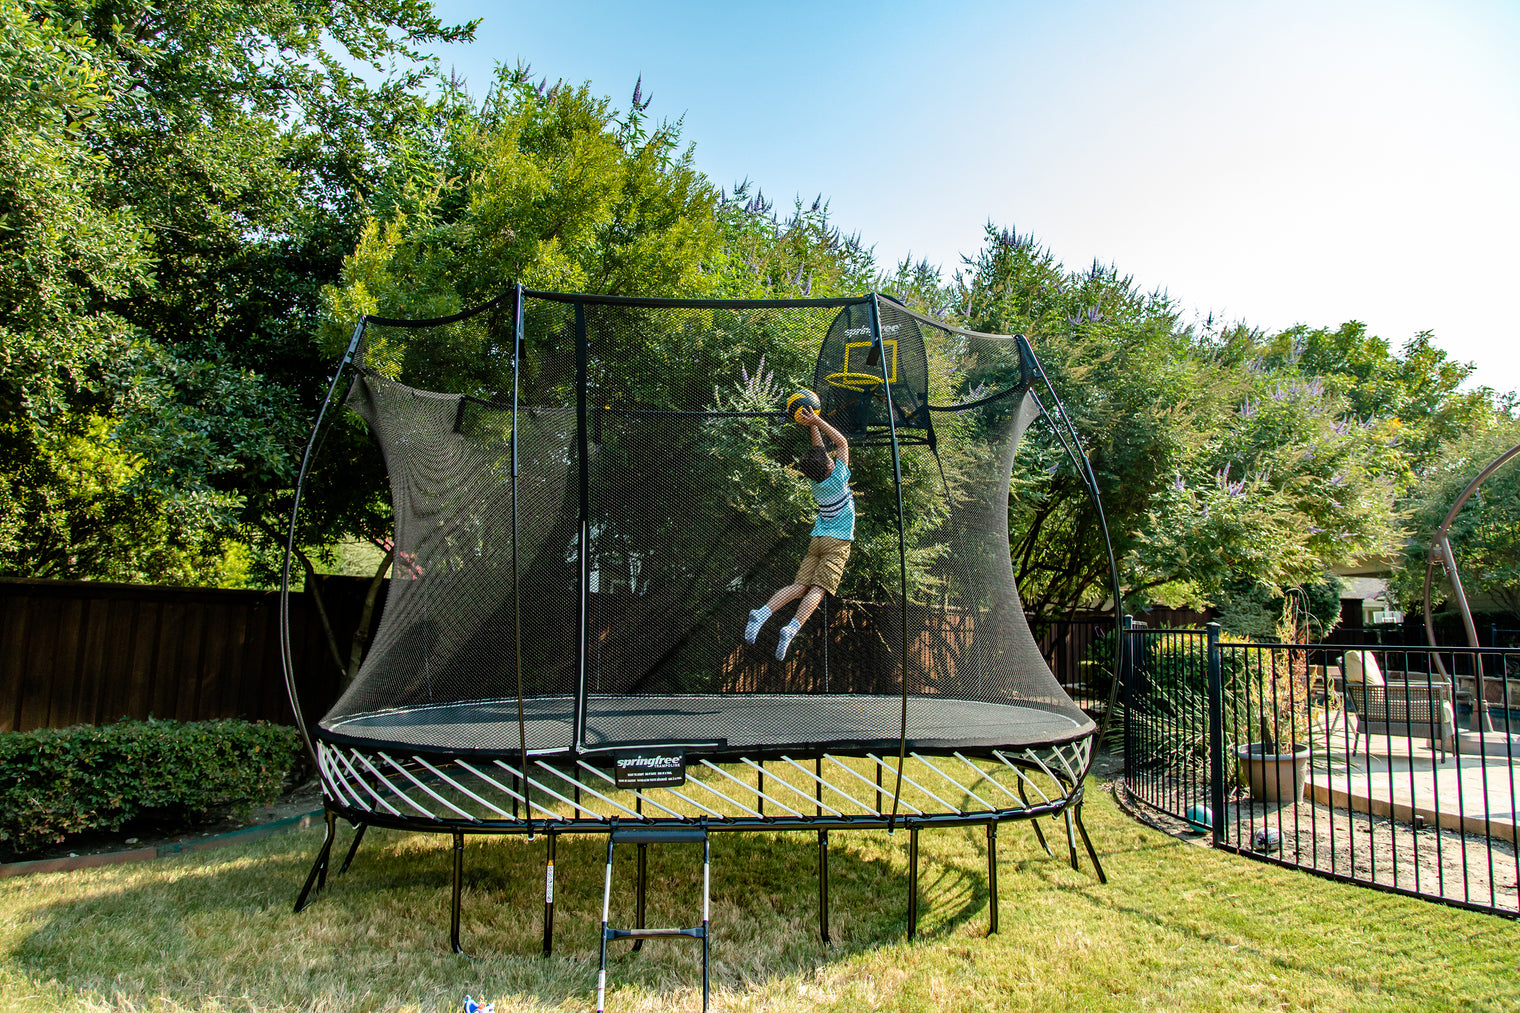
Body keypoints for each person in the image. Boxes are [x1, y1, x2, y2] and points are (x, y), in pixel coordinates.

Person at [745, 408, 854, 659]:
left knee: (800, 586)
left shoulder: (816, 483)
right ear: (829, 466)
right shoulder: (839, 478)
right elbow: (842, 443)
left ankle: (762, 613)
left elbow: (820, 451)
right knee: (819, 588)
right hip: (837, 543)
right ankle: (792, 627)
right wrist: (817, 420)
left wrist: (812, 424)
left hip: (817, 541)